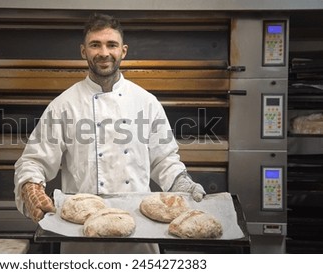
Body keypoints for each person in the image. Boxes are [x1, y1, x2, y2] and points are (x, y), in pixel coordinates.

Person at [14, 13, 206, 253]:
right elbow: (34, 160)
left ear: (123, 51)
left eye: (111, 45)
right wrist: (31, 187)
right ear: (84, 51)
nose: (104, 52)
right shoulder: (64, 105)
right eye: (95, 45)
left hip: (139, 231)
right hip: (80, 233)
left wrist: (182, 182)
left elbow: (165, 160)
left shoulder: (146, 102)